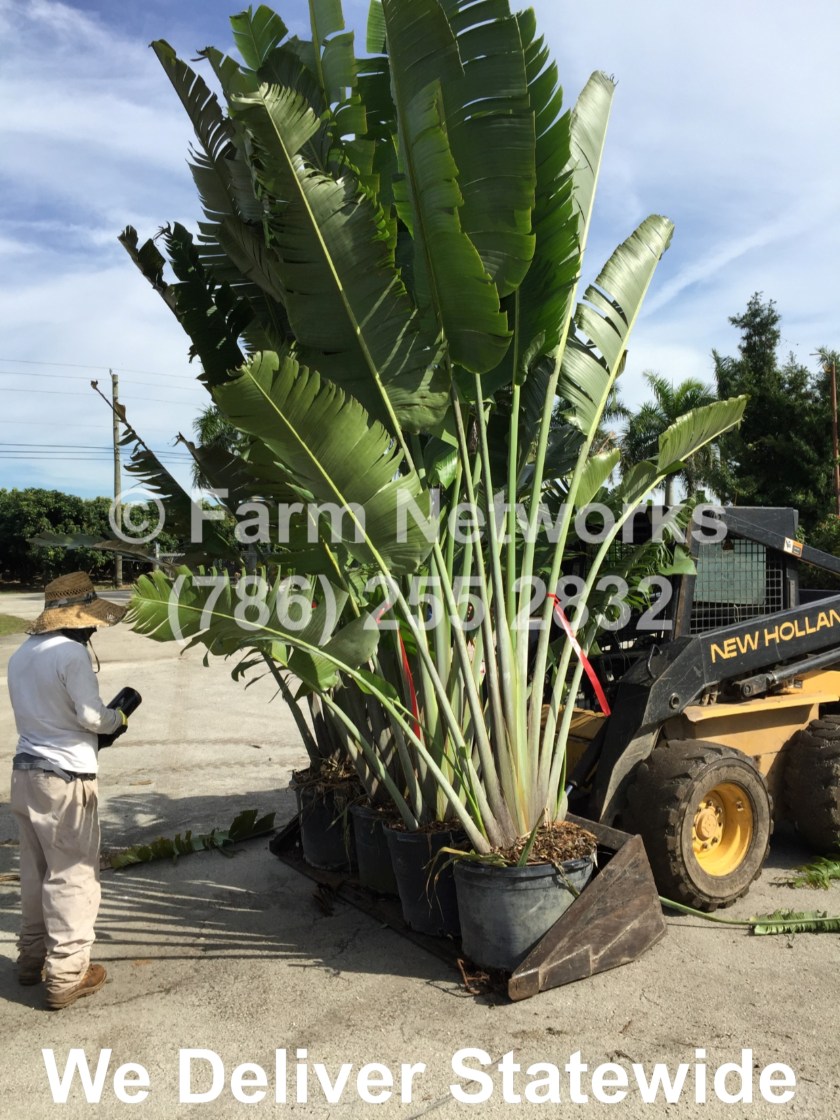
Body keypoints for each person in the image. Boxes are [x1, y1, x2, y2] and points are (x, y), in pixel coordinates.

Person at [7, 571, 129, 1010]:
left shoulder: (22, 653)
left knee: (36, 870)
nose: (94, 628)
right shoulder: (71, 654)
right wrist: (118, 719)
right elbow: (92, 718)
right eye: (91, 620)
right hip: (65, 779)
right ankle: (67, 973)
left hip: (26, 773)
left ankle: (31, 957)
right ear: (77, 619)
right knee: (73, 874)